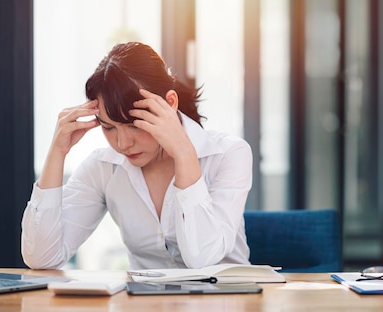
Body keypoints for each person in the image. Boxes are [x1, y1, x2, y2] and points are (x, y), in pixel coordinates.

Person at [21, 42, 253, 270]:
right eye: (109, 128)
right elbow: (42, 258)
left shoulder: (229, 154)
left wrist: (184, 154)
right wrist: (57, 152)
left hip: (224, 300)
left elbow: (202, 259)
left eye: (134, 124)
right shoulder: (103, 167)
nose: (123, 143)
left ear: (169, 103)